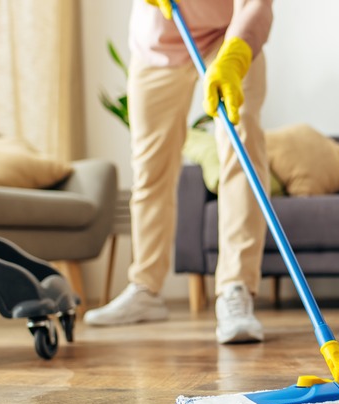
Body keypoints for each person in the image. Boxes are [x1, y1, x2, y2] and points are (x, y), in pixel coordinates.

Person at [85, 0, 273, 344]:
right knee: (150, 167)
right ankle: (146, 288)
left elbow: (257, 6)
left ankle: (236, 288)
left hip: (227, 37)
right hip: (156, 46)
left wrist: (235, 57)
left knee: (241, 145)